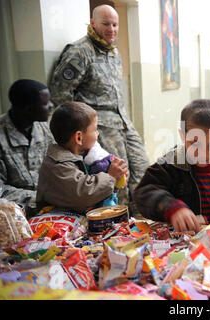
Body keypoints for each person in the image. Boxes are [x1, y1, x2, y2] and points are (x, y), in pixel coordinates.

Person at [49, 4, 149, 216]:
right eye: (106, 24)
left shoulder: (113, 52)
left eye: (115, 24)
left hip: (123, 122)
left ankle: (143, 220)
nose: (111, 29)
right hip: (99, 127)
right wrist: (82, 134)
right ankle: (119, 225)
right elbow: (60, 95)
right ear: (93, 23)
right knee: (118, 179)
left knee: (142, 171)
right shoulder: (79, 52)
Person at [134, 99, 210, 232]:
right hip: (177, 243)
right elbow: (144, 193)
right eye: (195, 143)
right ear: (182, 136)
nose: (204, 153)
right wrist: (172, 208)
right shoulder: (168, 165)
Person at [36, 102, 128, 214]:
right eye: (95, 129)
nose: (97, 134)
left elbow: (95, 192)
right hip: (58, 225)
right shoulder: (58, 165)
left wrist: (116, 181)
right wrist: (111, 177)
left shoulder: (81, 157)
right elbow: (84, 193)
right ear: (79, 137)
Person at [0, 79, 54, 217]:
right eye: (45, 103)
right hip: (12, 217)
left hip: (51, 209)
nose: (51, 106)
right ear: (28, 110)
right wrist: (42, 198)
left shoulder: (44, 129)